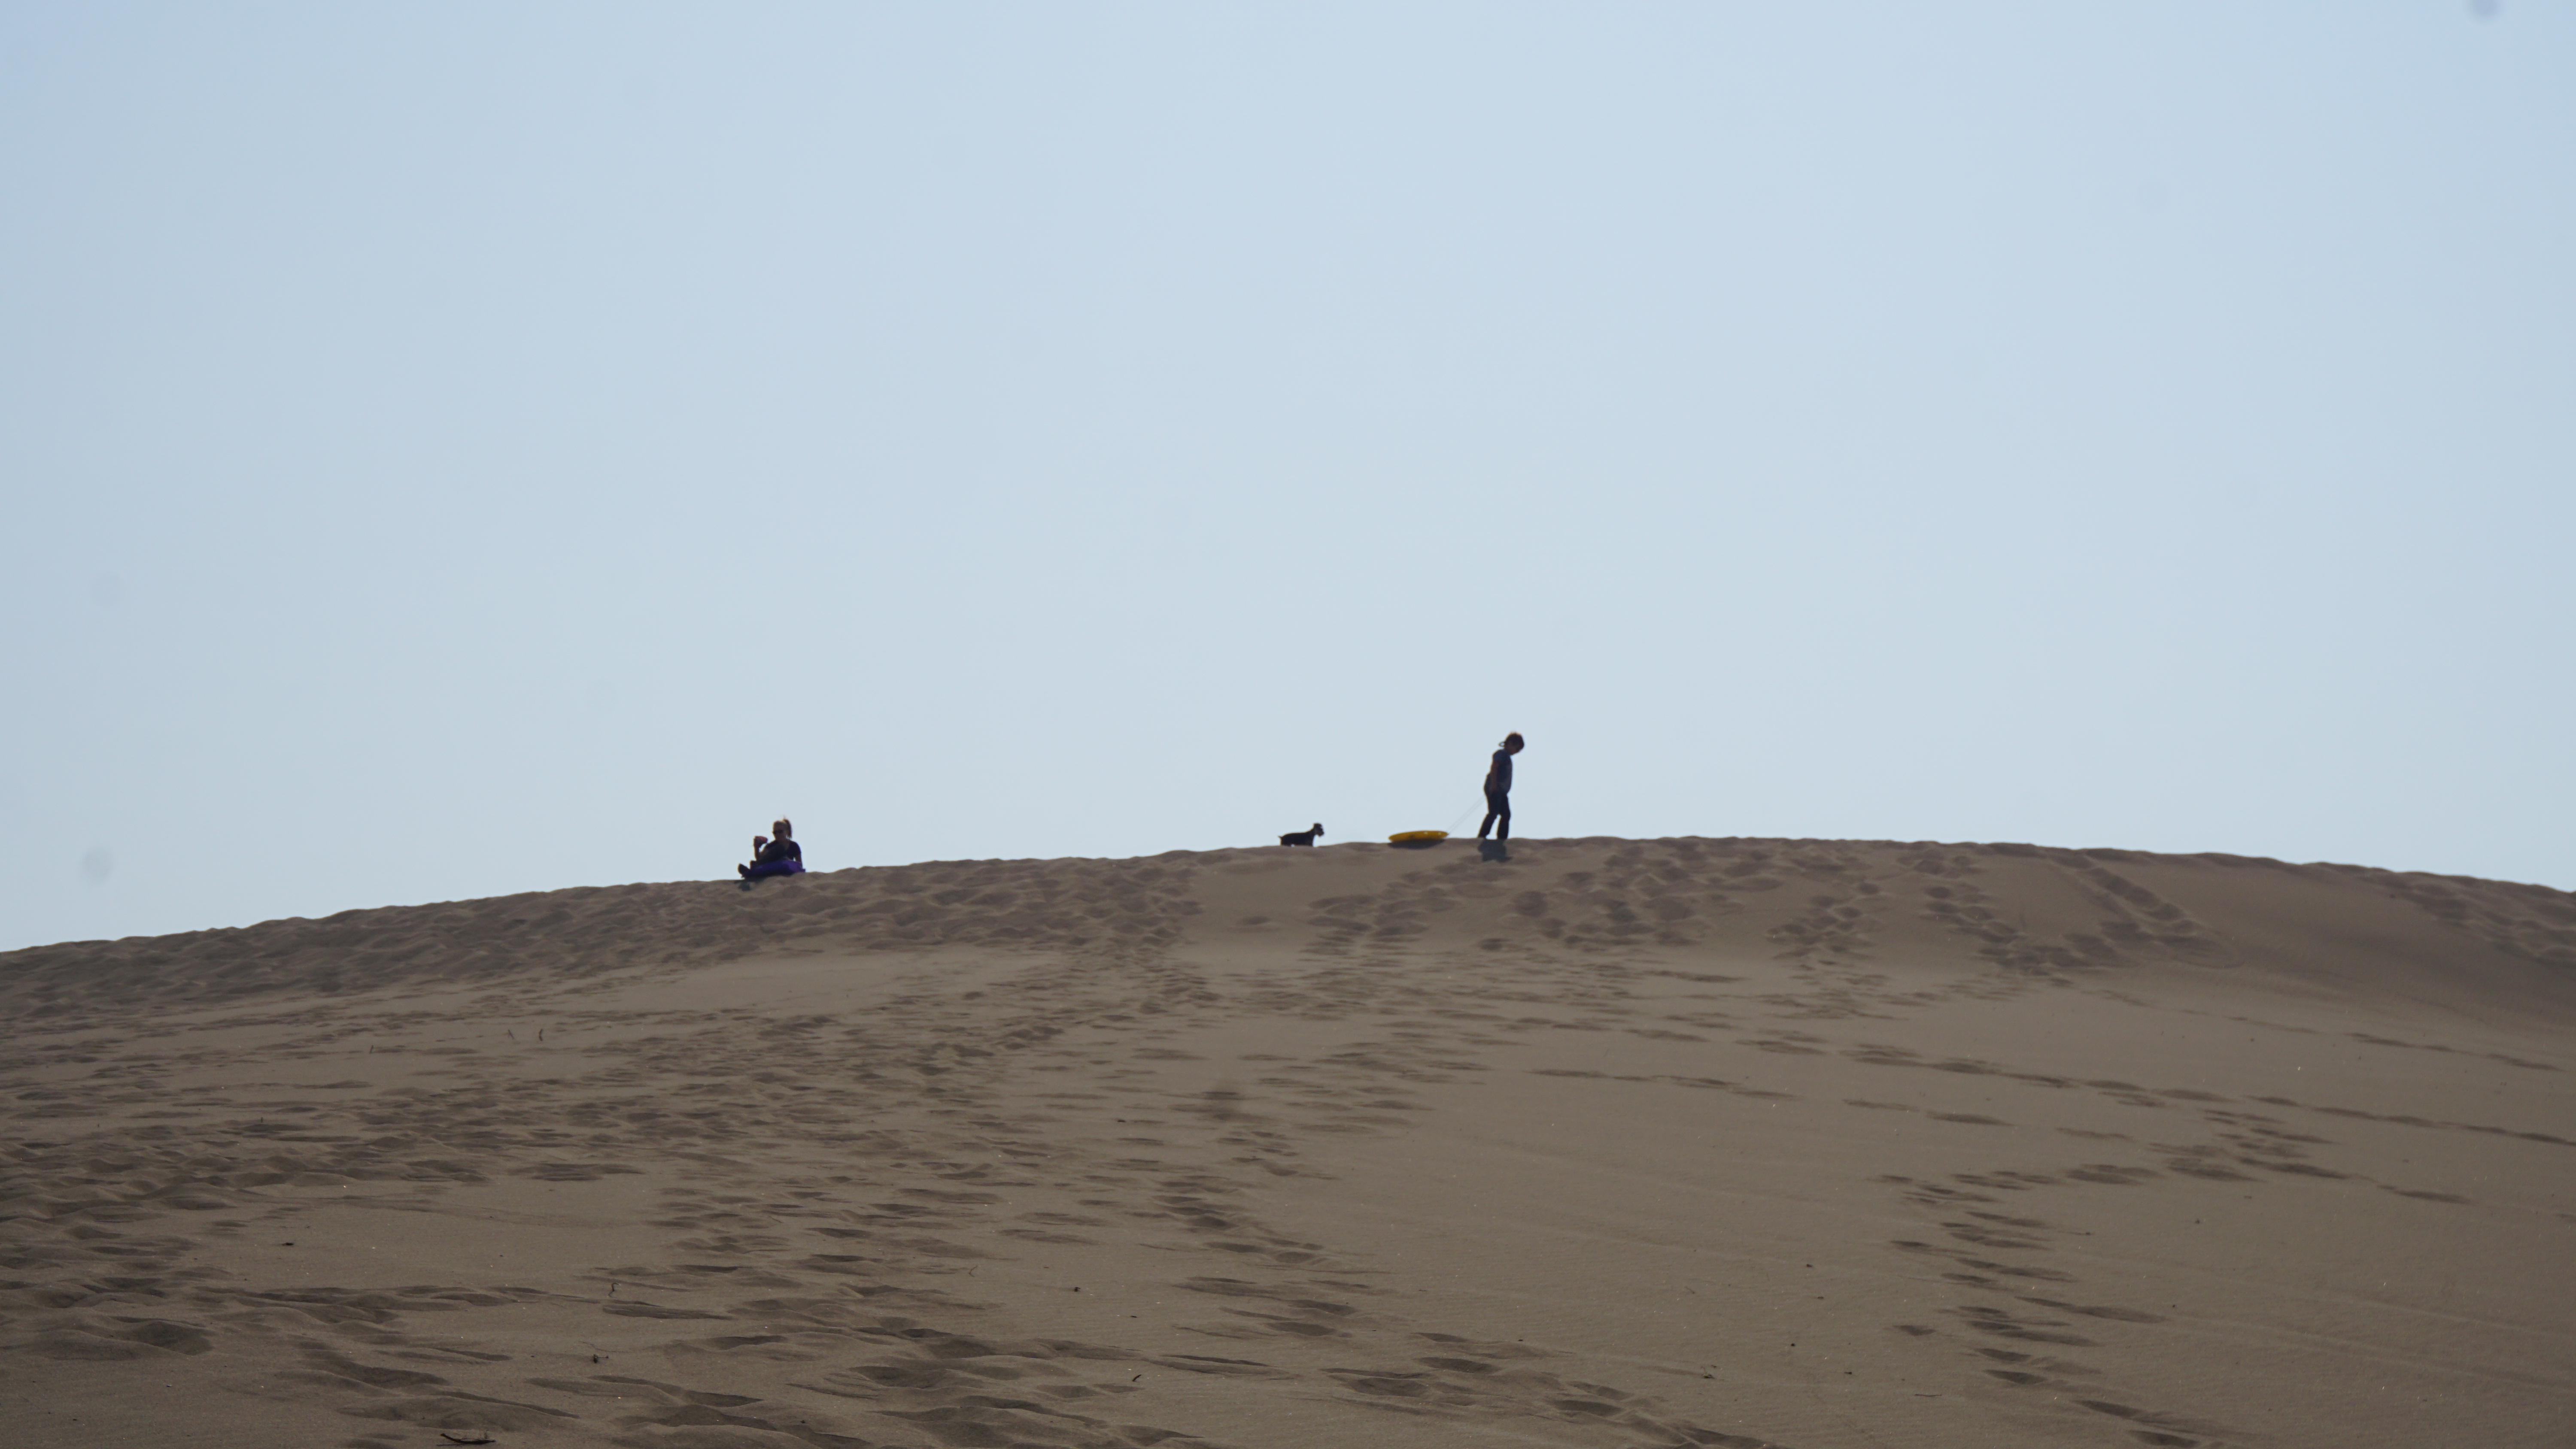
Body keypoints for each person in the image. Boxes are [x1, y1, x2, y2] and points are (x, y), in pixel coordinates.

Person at [1477, 733, 1524, 843]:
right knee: (1493, 813)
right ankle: (1482, 836)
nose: (1516, 752)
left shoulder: (1507, 757)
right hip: (1495, 788)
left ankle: (1502, 839)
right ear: (1511, 744)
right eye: (1517, 749)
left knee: (1506, 814)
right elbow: (1495, 766)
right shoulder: (1502, 754)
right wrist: (1494, 785)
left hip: (1502, 791)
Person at [738, 817, 805, 881]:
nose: (778, 835)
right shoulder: (772, 845)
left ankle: (752, 871)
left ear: (787, 831)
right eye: (775, 833)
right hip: (770, 868)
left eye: (780, 832)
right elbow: (760, 859)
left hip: (784, 871)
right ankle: (753, 871)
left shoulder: (794, 846)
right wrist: (757, 847)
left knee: (780, 849)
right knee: (743, 867)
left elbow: (800, 865)